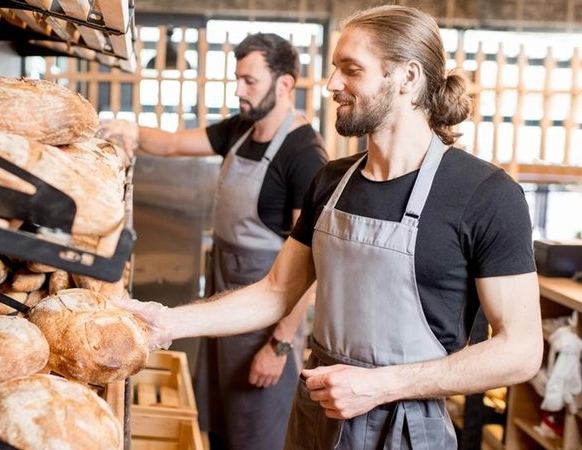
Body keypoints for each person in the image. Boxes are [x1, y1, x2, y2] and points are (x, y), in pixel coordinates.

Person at [111, 5, 543, 450]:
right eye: (335, 69)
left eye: (351, 70)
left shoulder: (487, 194)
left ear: (408, 78)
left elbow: (521, 351)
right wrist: (167, 321)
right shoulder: (332, 181)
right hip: (316, 415)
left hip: (408, 430)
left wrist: (382, 385)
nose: (332, 85)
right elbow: (277, 291)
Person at [99, 33, 328, 450]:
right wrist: (127, 128)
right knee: (220, 428)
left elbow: (311, 270)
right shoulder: (241, 130)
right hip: (224, 310)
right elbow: (169, 145)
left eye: (249, 81)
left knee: (257, 434)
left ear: (285, 85)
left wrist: (277, 346)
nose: (238, 90)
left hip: (263, 326)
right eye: (237, 79)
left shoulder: (305, 156)